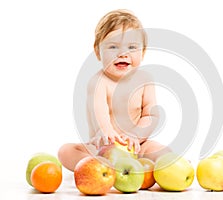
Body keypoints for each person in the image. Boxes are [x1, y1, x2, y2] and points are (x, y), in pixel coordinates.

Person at [58, 9, 171, 171]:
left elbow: (150, 115)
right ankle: (97, 168)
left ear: (143, 52)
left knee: (159, 150)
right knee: (66, 151)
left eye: (132, 47)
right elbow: (100, 113)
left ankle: (169, 165)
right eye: (113, 47)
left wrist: (136, 136)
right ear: (98, 52)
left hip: (137, 146)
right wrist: (107, 135)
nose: (123, 54)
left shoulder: (145, 80)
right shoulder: (99, 82)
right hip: (102, 149)